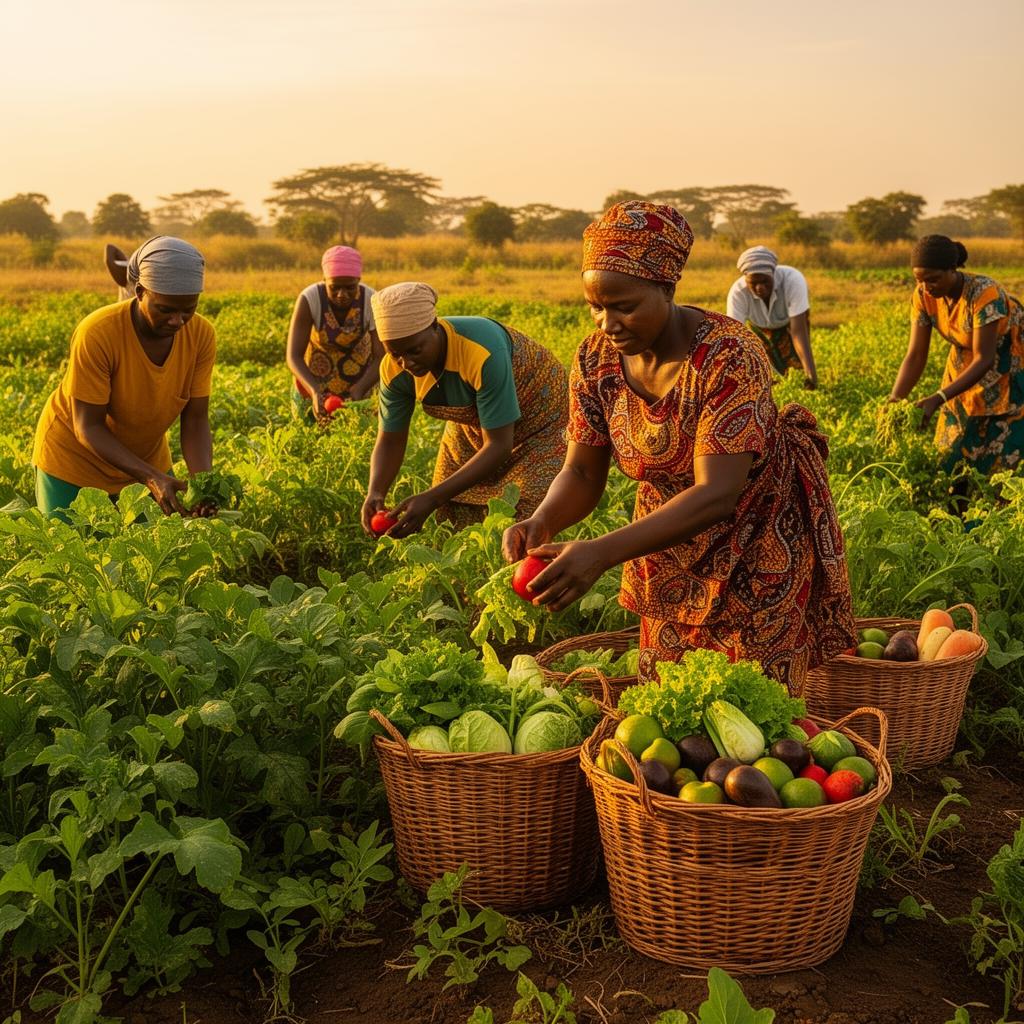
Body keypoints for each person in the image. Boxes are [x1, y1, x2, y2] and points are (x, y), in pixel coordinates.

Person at [502, 202, 855, 690]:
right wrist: (543, 520)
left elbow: (717, 493)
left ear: (667, 288)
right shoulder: (595, 360)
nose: (607, 323)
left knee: (755, 705)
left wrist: (600, 553)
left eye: (624, 306)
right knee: (669, 701)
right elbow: (582, 472)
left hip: (758, 542)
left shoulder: (728, 355)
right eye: (595, 307)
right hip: (663, 544)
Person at [360, 282, 568, 537]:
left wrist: (431, 497)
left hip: (541, 419)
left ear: (435, 326)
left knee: (525, 517)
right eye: (395, 354)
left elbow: (499, 445)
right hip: (475, 420)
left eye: (415, 350)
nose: (406, 363)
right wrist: (375, 492)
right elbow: (390, 439)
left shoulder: (481, 351)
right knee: (450, 510)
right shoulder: (394, 370)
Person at [32, 236, 219, 519]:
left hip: (145, 461)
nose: (177, 321)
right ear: (140, 292)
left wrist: (204, 485)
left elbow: (195, 420)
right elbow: (88, 426)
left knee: (157, 546)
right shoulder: (98, 332)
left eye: (188, 309)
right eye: (165, 309)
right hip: (73, 464)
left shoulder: (201, 336)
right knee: (72, 546)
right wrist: (152, 477)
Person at [889, 234, 1024, 480]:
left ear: (953, 269)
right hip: (964, 362)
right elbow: (916, 355)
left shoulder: (984, 293)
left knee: (999, 468)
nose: (927, 287)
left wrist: (938, 398)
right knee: (949, 458)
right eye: (919, 280)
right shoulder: (923, 295)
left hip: (1007, 364)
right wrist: (895, 399)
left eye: (933, 279)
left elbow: (984, 358)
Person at [286, 245, 383, 422]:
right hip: (313, 380)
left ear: (358, 280)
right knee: (310, 432)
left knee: (360, 432)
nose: (342, 294)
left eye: (350, 287)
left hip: (361, 380)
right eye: (334, 287)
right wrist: (314, 391)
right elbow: (293, 356)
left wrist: (360, 389)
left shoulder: (371, 300)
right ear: (324, 281)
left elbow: (381, 355)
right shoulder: (310, 299)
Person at [726, 245, 817, 389]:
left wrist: (811, 375)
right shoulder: (738, 293)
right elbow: (735, 338)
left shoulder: (793, 280)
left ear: (773, 273)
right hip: (760, 327)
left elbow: (798, 332)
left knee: (796, 368)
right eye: (753, 283)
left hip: (790, 324)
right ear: (746, 279)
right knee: (766, 372)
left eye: (765, 281)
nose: (760, 287)